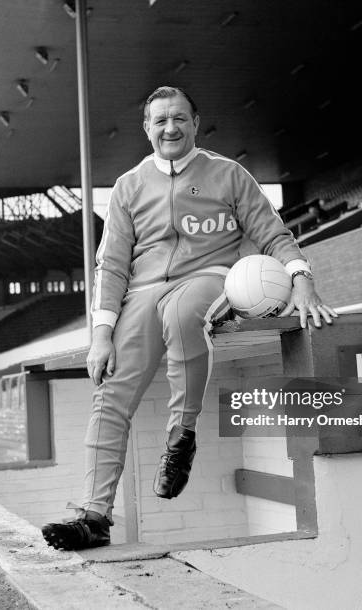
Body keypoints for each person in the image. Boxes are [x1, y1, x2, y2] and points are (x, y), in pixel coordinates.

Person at [42, 86, 337, 551]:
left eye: (179, 118)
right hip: (141, 291)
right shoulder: (128, 186)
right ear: (146, 129)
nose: (170, 128)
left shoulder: (229, 175)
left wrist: (302, 278)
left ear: (196, 123)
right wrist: (101, 335)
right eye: (160, 121)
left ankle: (182, 437)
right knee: (110, 393)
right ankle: (93, 517)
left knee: (182, 315)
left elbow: (272, 233)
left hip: (207, 276)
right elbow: (112, 265)